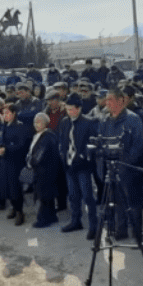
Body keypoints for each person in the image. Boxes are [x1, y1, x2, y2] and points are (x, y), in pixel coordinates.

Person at [97, 88, 143, 240]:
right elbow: (101, 141)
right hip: (111, 168)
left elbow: (139, 144)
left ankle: (137, 233)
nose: (107, 103)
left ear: (121, 101)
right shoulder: (105, 119)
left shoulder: (133, 119)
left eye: (110, 99)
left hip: (128, 169)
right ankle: (121, 230)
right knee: (116, 201)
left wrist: (126, 163)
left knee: (133, 202)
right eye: (106, 100)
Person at [58, 95, 98, 237]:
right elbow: (62, 141)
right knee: (73, 196)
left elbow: (93, 145)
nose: (69, 112)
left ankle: (94, 225)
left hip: (83, 166)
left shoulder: (88, 122)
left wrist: (83, 157)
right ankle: (76, 221)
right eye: (67, 109)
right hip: (69, 164)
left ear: (79, 108)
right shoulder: (64, 122)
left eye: (71, 109)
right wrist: (63, 155)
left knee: (88, 196)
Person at [0, 104, 32, 225]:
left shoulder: (20, 127)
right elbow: (1, 140)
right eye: (3, 113)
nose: (5, 116)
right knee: (6, 186)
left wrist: (6, 148)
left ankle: (19, 212)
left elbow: (21, 146)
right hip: (5, 160)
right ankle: (13, 207)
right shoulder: (4, 126)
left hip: (15, 162)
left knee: (15, 188)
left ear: (14, 114)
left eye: (7, 113)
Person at [26, 112, 62, 228]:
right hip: (43, 171)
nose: (36, 124)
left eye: (39, 122)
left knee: (43, 196)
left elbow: (39, 156)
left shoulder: (47, 136)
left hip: (45, 171)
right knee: (46, 196)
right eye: (35, 122)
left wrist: (31, 162)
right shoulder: (40, 135)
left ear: (45, 123)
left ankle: (43, 219)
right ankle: (52, 216)